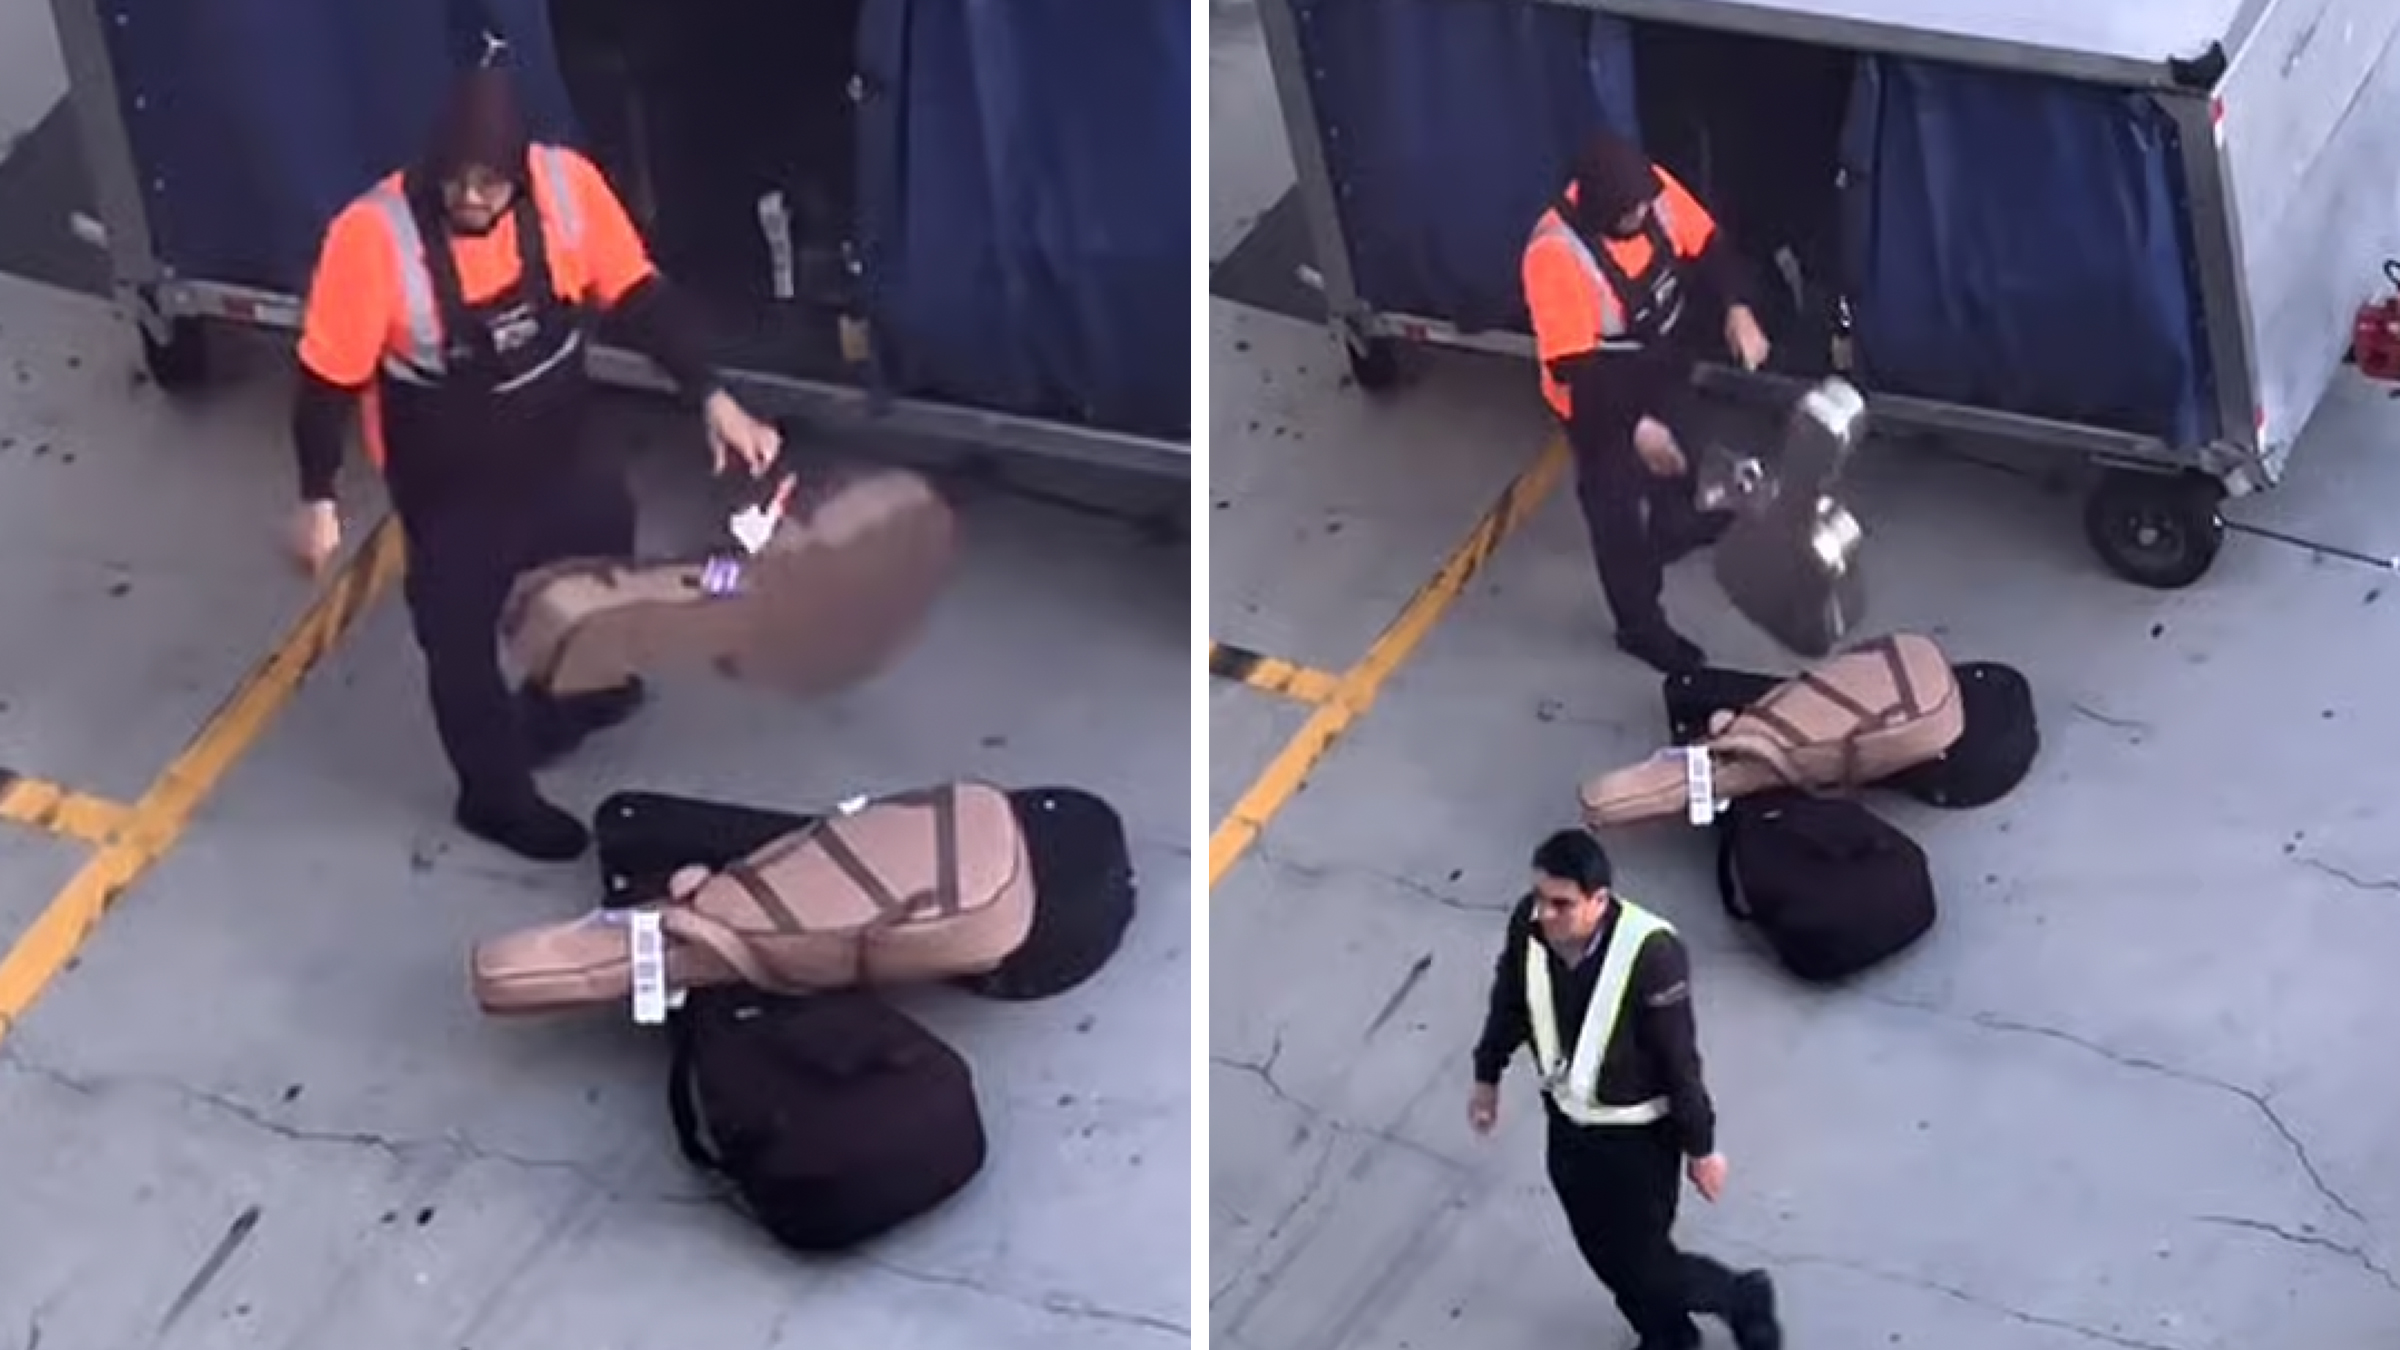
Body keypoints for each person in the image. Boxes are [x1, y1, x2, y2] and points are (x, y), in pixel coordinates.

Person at [284, 54, 782, 863]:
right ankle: (494, 798)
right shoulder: (370, 239)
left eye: (490, 183)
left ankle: (588, 693)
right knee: (456, 636)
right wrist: (318, 496)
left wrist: (713, 395)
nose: (471, 198)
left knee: (599, 575)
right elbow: (325, 383)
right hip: (451, 485)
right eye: (455, 181)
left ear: (520, 173)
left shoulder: (567, 192)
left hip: (563, 449)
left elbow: (639, 296)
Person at [1469, 829, 1783, 1350]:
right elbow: (1510, 1002)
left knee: (1646, 1264)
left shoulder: (1652, 953)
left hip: (1638, 1139)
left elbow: (1679, 1061)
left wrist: (1701, 1148)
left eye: (1562, 904)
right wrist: (1487, 1075)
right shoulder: (1530, 925)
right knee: (1603, 1254)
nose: (1545, 913)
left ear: (1599, 900)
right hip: (1568, 1126)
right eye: (1541, 898)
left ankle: (1740, 1296)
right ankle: (1667, 1336)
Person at [1521, 130, 1772, 675]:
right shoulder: (1555, 256)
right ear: (1600, 209)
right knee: (1617, 515)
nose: (1643, 214)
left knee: (1689, 459)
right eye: (1629, 212)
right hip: (1595, 397)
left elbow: (1710, 246)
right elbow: (1575, 372)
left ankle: (1675, 529)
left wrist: (1738, 308)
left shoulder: (1651, 192)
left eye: (1643, 204)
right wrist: (1635, 427)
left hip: (1659, 364)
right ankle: (1639, 626)